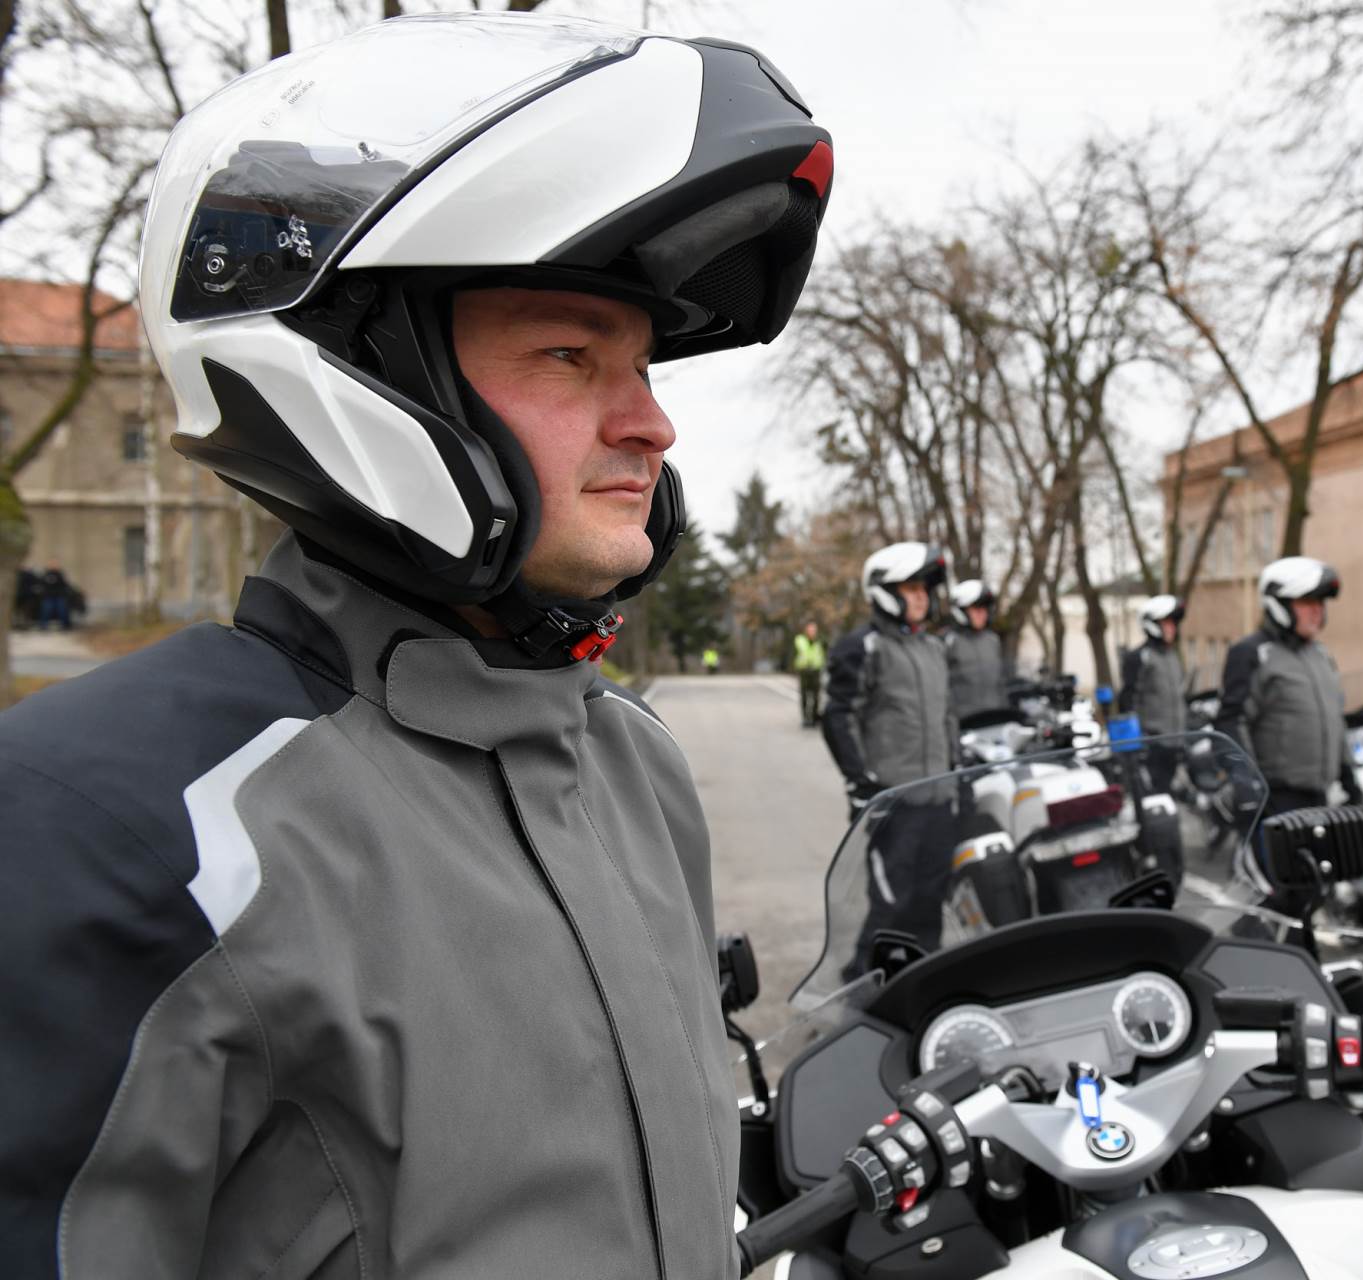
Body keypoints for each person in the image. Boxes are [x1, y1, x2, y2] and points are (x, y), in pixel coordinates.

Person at [0, 16, 832, 1278]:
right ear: (367, 372)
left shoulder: (635, 764)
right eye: (571, 354)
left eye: (647, 364)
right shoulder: (119, 819)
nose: (651, 422)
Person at [823, 542, 955, 963]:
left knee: (931, 899)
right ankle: (864, 986)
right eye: (911, 587)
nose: (922, 596)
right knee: (889, 901)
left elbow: (947, 717)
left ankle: (923, 978)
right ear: (883, 590)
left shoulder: (934, 648)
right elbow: (838, 717)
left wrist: (959, 772)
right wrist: (861, 783)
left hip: (939, 797)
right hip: (893, 802)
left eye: (924, 588)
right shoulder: (863, 646)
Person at [1216, 558, 1351, 894]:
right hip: (1277, 803)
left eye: (1320, 603)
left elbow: (1336, 718)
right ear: (1279, 604)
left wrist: (1349, 773)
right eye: (1307, 603)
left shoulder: (1321, 655)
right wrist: (1247, 785)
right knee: (1278, 901)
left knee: (1316, 893)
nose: (1317, 612)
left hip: (1320, 798)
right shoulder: (1252, 653)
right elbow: (1231, 720)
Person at [1118, 594, 1188, 792]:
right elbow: (1127, 702)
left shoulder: (1172, 655)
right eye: (1166, 623)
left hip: (1175, 744)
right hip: (1152, 748)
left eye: (1173, 623)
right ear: (1152, 624)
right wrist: (1138, 746)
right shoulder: (1139, 657)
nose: (1172, 628)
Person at [945, 578, 1009, 722]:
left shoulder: (993, 640)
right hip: (964, 722)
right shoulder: (948, 642)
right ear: (961, 610)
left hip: (993, 719)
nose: (982, 613)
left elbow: (1000, 684)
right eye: (976, 608)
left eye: (984, 609)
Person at [793, 619, 827, 726]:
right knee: (804, 696)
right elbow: (796, 653)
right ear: (806, 630)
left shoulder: (820, 641)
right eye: (810, 629)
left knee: (816, 696)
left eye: (814, 629)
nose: (812, 631)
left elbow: (826, 651)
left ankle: (814, 717)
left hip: (816, 670)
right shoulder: (800, 640)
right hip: (804, 670)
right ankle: (805, 718)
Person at [36, 561, 73, 631]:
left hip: (59, 596)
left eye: (55, 564)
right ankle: (43, 626)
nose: (53, 566)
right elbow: (41, 585)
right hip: (48, 596)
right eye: (52, 564)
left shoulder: (60, 574)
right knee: (46, 610)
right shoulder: (45, 574)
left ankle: (66, 625)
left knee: (62, 609)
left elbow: (65, 585)